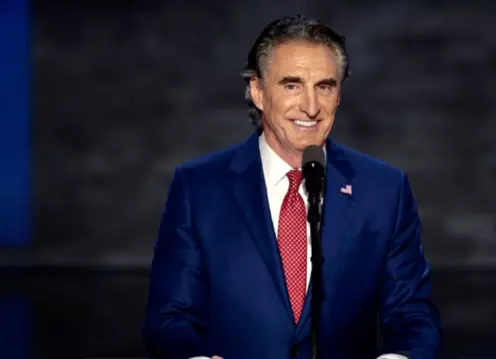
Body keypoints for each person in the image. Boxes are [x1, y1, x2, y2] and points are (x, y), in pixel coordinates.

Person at [142, 14, 442, 359]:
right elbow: (169, 318)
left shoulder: (384, 189)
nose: (311, 107)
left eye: (324, 86)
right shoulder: (198, 187)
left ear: (339, 94)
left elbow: (413, 316)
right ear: (258, 91)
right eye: (292, 85)